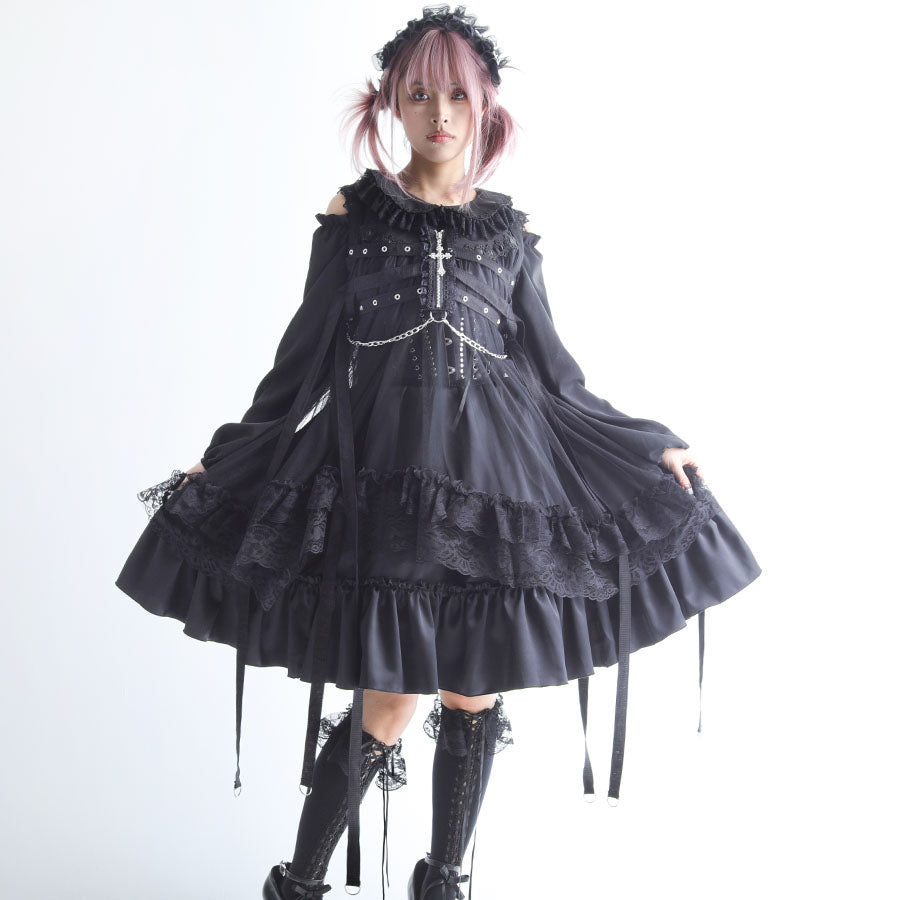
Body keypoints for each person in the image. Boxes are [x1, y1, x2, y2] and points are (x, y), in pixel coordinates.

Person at [115, 5, 762, 899]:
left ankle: (444, 881)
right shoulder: (352, 218)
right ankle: (296, 886)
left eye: (457, 96)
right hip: (384, 487)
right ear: (392, 103)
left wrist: (653, 446)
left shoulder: (508, 238)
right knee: (388, 698)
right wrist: (227, 459)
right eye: (419, 95)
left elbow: (560, 380)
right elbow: (297, 368)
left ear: (485, 106)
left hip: (496, 488)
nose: (440, 114)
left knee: (473, 691)